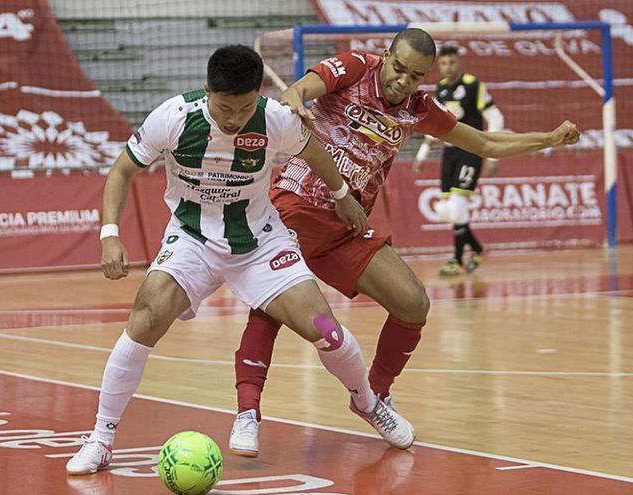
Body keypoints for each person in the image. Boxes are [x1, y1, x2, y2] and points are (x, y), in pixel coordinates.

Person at [65, 45, 416, 476]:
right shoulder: (174, 117)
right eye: (225, 107)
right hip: (193, 239)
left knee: (327, 330)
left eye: (244, 107)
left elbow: (315, 154)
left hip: (261, 243)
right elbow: (121, 170)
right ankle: (101, 438)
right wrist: (110, 235)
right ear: (208, 90)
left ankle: (366, 401)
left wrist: (342, 196)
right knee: (146, 315)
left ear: (259, 96)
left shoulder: (275, 119)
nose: (233, 118)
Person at [229, 29, 579, 457]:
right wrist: (297, 99)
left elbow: (484, 142)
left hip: (348, 224)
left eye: (415, 76)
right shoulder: (356, 68)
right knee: (271, 307)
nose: (403, 81)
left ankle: (372, 398)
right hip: (294, 208)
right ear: (386, 56)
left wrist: (547, 139)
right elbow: (304, 87)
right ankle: (247, 413)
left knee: (413, 303)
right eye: (398, 68)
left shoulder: (419, 108)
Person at [412, 45, 506, 276]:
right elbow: (435, 125)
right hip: (450, 152)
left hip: (471, 151)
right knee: (446, 210)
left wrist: (492, 153)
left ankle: (456, 258)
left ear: (459, 63)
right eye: (443, 63)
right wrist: (422, 153)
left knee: (456, 207)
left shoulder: (473, 85)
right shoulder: (441, 89)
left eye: (452, 62)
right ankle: (476, 249)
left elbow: (496, 118)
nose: (448, 67)